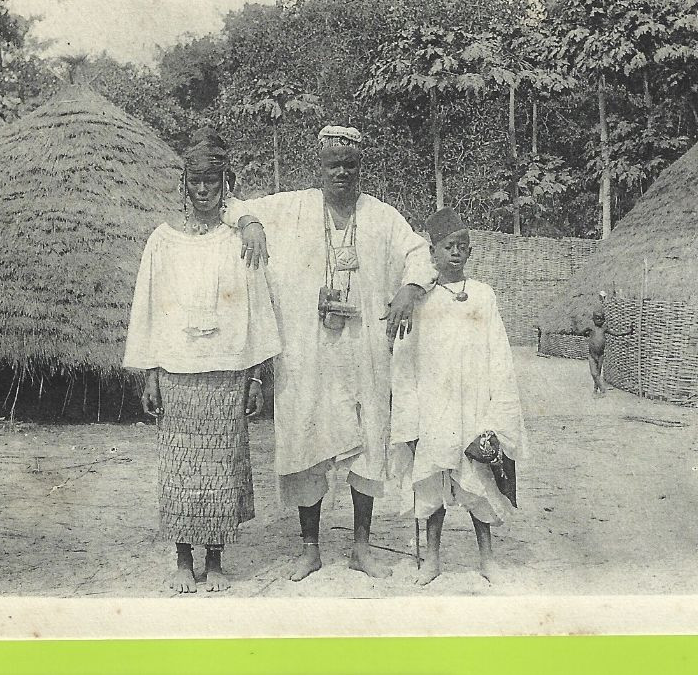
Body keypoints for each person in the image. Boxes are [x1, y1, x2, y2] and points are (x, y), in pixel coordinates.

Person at [225, 125, 436, 582]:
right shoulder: (292, 207)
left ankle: (361, 547)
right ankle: (310, 548)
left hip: (364, 353)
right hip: (308, 353)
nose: (342, 171)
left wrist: (409, 287)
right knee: (306, 441)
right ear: (318, 168)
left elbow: (420, 251)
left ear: (361, 169)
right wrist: (251, 223)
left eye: (350, 164)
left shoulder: (380, 216)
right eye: (332, 164)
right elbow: (233, 205)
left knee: (369, 443)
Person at [124, 130, 281, 594]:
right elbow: (148, 309)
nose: (202, 189)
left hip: (226, 373)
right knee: (179, 471)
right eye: (195, 180)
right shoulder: (162, 241)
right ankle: (181, 559)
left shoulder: (239, 241)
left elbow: (256, 308)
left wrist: (254, 377)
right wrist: (150, 374)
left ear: (224, 183)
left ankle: (214, 560)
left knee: (219, 469)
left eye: (212, 180)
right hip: (176, 374)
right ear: (184, 183)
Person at [390, 208, 528, 586]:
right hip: (434, 405)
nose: (456, 253)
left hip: (474, 404)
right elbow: (405, 360)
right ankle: (432, 560)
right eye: (448, 246)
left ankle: (487, 560)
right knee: (434, 478)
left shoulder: (483, 295)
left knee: (478, 482)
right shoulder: (420, 299)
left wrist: (498, 412)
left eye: (463, 246)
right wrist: (409, 414)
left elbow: (499, 353)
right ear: (432, 252)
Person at [584, 308, 635, 397]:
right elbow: (581, 332)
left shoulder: (604, 329)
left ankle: (596, 390)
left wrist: (628, 331)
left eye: (601, 318)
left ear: (604, 320)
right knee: (594, 373)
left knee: (598, 373)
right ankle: (602, 389)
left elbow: (616, 333)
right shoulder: (591, 328)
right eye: (597, 318)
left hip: (600, 355)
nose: (599, 320)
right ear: (593, 319)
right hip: (592, 355)